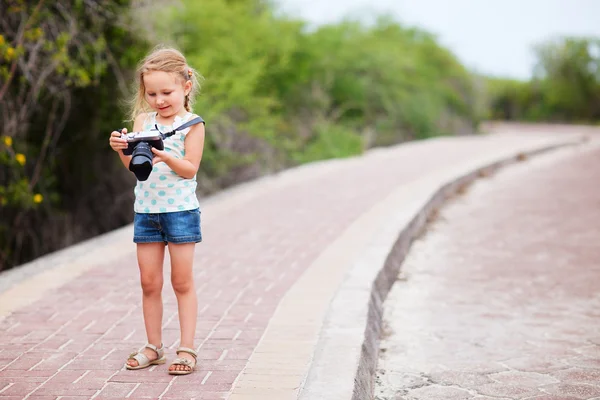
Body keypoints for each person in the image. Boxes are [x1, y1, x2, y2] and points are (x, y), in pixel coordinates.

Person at [109, 46, 205, 375]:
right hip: (147, 211)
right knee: (149, 283)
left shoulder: (192, 124)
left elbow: (190, 168)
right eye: (152, 93)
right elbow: (135, 168)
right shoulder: (143, 120)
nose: (159, 100)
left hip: (179, 211)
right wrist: (122, 148)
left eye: (167, 92)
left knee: (182, 282)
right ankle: (153, 347)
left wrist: (164, 155)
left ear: (186, 86)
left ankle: (187, 349)